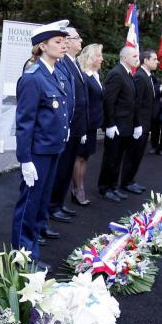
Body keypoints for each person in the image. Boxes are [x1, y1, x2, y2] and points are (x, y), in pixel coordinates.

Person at [11, 21, 71, 270]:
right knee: (29, 205)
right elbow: (25, 122)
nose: (63, 45)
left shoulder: (56, 73)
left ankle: (32, 248)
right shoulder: (33, 77)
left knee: (42, 204)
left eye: (64, 41)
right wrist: (25, 160)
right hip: (37, 153)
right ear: (42, 45)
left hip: (53, 149)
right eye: (58, 42)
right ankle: (22, 256)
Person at [48, 27, 88, 224]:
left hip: (74, 127)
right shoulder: (62, 63)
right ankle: (52, 206)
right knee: (61, 169)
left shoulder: (74, 63)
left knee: (66, 169)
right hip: (67, 127)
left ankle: (58, 203)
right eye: (75, 37)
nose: (79, 40)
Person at [97, 46, 139, 202]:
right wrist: (109, 124)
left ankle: (113, 186)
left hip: (125, 126)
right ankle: (104, 188)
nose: (137, 59)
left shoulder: (128, 74)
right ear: (125, 58)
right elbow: (109, 101)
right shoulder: (116, 74)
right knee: (111, 158)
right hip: (116, 126)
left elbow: (131, 102)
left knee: (118, 159)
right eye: (134, 56)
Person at [120, 50, 159, 194]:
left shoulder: (148, 77)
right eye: (154, 59)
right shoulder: (140, 77)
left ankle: (130, 180)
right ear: (146, 61)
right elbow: (136, 103)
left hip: (145, 123)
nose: (157, 62)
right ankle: (126, 182)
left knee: (138, 154)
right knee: (132, 154)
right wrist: (137, 124)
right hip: (139, 124)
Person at [71, 43, 104, 206]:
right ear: (91, 58)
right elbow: (82, 104)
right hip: (85, 124)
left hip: (92, 124)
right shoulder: (85, 76)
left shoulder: (95, 76)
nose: (102, 59)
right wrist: (82, 128)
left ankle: (78, 188)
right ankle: (78, 190)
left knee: (85, 157)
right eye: (99, 56)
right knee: (79, 157)